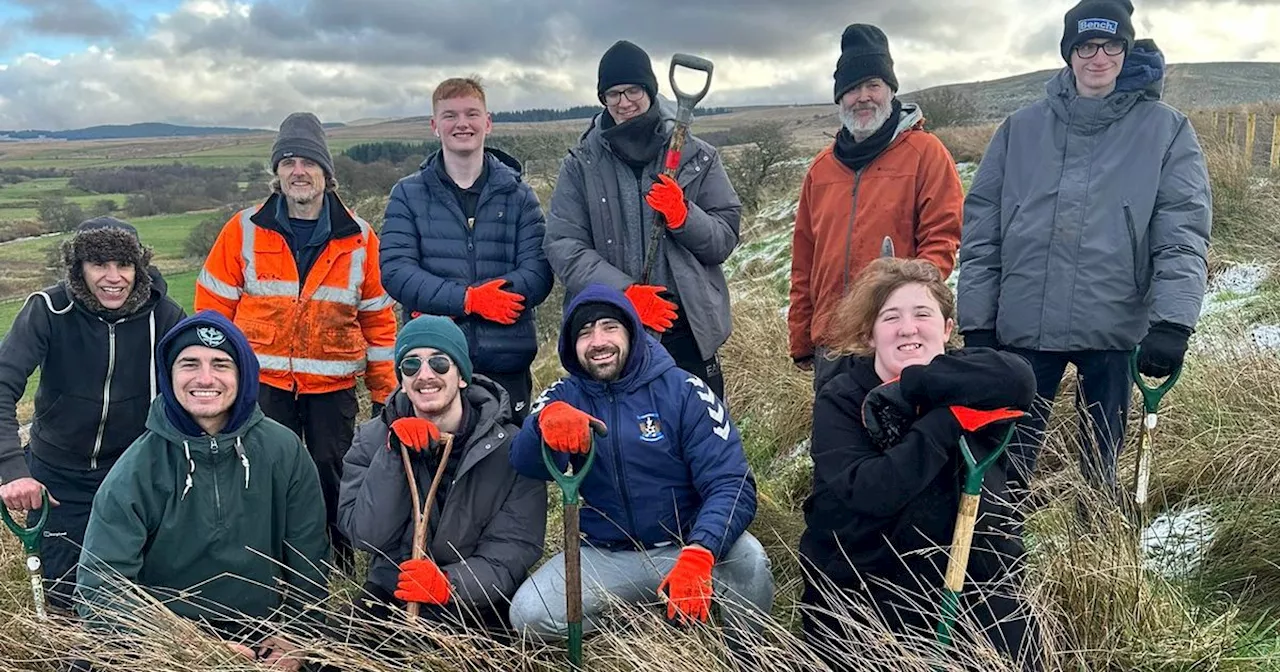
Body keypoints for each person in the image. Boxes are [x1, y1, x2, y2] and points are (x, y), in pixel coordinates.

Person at [957, 0, 1211, 494]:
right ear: (1069, 52)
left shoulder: (1167, 129)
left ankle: (1099, 559)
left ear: (1126, 48)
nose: (1099, 57)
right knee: (1004, 471)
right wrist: (978, 323)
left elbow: (1182, 230)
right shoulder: (1019, 129)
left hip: (1114, 328)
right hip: (1024, 328)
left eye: (1112, 44)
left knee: (1102, 473)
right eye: (1086, 45)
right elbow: (982, 232)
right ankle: (998, 559)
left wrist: (1174, 321)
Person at [798, 258, 1041, 671]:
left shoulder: (969, 376)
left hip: (972, 575)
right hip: (868, 580)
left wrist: (913, 383)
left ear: (947, 329)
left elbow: (1020, 379)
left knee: (1020, 648)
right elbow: (871, 491)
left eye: (922, 314)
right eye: (890, 317)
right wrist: (944, 423)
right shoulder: (840, 399)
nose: (908, 328)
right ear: (869, 335)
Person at [507, 283, 772, 644]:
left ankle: (747, 655)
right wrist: (544, 424)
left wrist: (701, 550)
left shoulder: (684, 390)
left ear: (632, 331)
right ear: (572, 346)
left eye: (609, 327)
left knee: (751, 564)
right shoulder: (563, 396)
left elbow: (732, 483)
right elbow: (527, 463)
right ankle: (635, 626)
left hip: (685, 545)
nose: (598, 341)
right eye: (584, 333)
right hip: (606, 552)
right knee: (530, 614)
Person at [196, 111, 399, 571]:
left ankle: (337, 563)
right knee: (261, 474)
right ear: (277, 173)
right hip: (262, 384)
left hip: (332, 388)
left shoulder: (361, 239)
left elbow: (379, 323)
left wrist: (387, 395)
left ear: (327, 174)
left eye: (308, 161)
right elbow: (212, 316)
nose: (298, 171)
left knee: (333, 474)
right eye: (287, 161)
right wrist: (215, 381)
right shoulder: (242, 230)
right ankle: (267, 560)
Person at [75, 312, 330, 670]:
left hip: (263, 633)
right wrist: (190, 648)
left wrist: (296, 636)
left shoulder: (283, 450)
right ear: (169, 375)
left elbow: (310, 560)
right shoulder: (138, 467)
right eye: (189, 363)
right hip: (164, 637)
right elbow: (100, 586)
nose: (205, 378)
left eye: (221, 364)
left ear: (243, 374)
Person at [0, 217, 185, 612]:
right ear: (79, 268)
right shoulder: (47, 310)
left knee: (136, 591)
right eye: (99, 264)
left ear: (140, 267)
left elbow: (193, 395)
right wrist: (14, 469)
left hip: (132, 472)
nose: (113, 277)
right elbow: (2, 385)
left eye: (124, 264)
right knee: (64, 594)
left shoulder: (165, 316)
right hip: (58, 475)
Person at [543, 40, 742, 401]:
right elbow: (563, 245)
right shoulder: (581, 165)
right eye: (613, 94)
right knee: (624, 443)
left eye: (633, 90)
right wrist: (625, 294)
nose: (624, 102)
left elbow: (724, 238)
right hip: (612, 332)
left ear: (650, 90)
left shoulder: (697, 156)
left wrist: (684, 216)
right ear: (602, 99)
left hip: (686, 333)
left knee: (699, 439)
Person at [338, 314, 546, 631]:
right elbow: (367, 536)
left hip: (477, 600)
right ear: (403, 383)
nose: (425, 375)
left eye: (439, 363)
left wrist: (449, 584)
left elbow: (512, 552)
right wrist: (393, 456)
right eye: (411, 366)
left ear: (462, 376)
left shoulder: (510, 450)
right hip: (395, 591)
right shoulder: (372, 439)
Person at [788, 23, 963, 394]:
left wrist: (903, 304)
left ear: (891, 90)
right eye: (852, 89)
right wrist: (801, 335)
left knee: (902, 445)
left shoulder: (926, 154)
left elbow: (942, 238)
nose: (863, 97)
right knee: (836, 446)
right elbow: (804, 261)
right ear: (840, 98)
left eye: (873, 85)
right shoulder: (821, 170)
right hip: (833, 345)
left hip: (899, 339)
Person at [380, 77, 553, 424]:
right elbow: (397, 271)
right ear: (434, 126)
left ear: (488, 123)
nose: (462, 124)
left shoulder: (519, 196)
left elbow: (538, 271)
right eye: (450, 116)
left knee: (508, 468)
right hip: (433, 364)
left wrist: (496, 299)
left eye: (472, 114)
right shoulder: (408, 195)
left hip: (507, 361)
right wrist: (468, 300)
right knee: (435, 469)